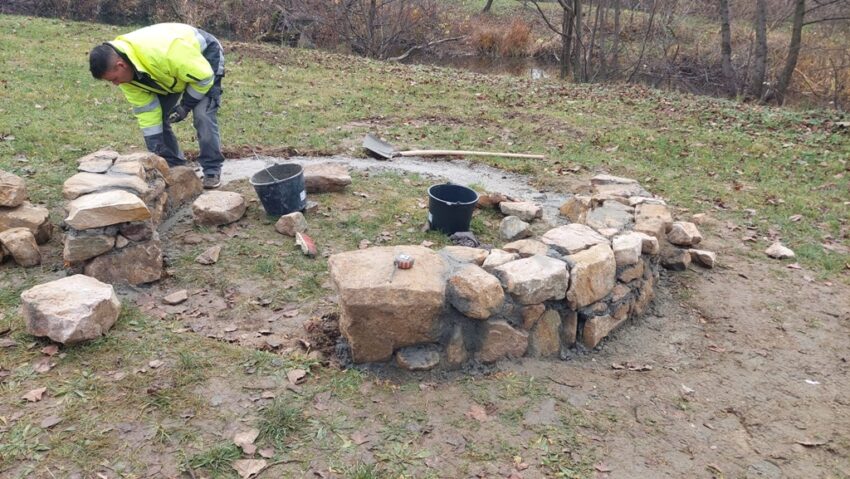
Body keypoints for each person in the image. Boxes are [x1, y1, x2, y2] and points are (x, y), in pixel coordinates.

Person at [89, 23, 225, 189]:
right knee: (161, 116)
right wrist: (156, 150)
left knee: (203, 114)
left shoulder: (165, 52)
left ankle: (212, 169)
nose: (115, 84)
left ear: (120, 65)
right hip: (168, 73)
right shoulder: (127, 77)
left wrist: (185, 105)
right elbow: (148, 113)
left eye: (113, 79)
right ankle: (175, 166)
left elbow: (203, 77)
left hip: (203, 57)